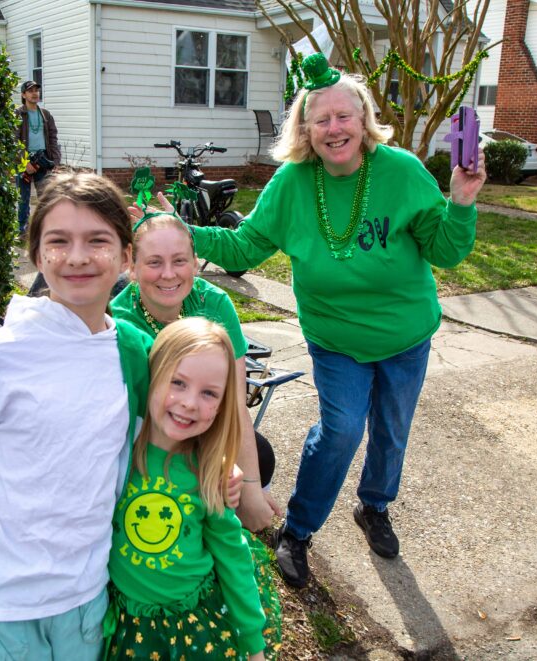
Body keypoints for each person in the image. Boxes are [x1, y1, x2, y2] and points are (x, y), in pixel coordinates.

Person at [173, 52, 487, 587]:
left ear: (363, 121)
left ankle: (374, 505)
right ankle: (297, 530)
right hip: (335, 338)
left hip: (405, 335)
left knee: (391, 430)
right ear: (306, 130)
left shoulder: (403, 172)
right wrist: (182, 234)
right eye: (321, 119)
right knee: (341, 430)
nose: (334, 128)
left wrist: (460, 203)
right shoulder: (293, 184)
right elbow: (245, 246)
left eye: (344, 116)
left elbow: (446, 250)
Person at [0, 172, 152, 660]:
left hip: (86, 601)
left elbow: (170, 438)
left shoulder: (133, 354)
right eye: (58, 241)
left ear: (126, 257)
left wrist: (228, 472)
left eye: (98, 241)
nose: (77, 257)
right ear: (37, 256)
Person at [0, 212, 281, 531]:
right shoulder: (119, 325)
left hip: (200, 424)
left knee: (261, 457)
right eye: (154, 262)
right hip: (147, 440)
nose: (168, 274)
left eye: (179, 261)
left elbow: (234, 403)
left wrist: (248, 485)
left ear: (195, 264)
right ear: (132, 268)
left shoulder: (215, 303)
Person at [104, 317, 275, 660]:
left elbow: (232, 556)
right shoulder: (115, 450)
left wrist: (253, 644)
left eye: (209, 393)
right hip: (124, 623)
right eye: (178, 382)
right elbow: (111, 329)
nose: (189, 403)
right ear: (152, 375)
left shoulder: (210, 472)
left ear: (222, 404)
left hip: (190, 627)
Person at [16, 80, 61, 233]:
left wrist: (55, 161)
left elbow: (53, 138)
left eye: (36, 90)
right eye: (30, 91)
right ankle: (23, 230)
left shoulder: (45, 114)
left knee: (45, 197)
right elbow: (13, 140)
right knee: (23, 198)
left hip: (43, 159)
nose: (35, 93)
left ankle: (43, 229)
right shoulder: (18, 114)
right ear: (23, 95)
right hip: (25, 160)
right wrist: (24, 162)